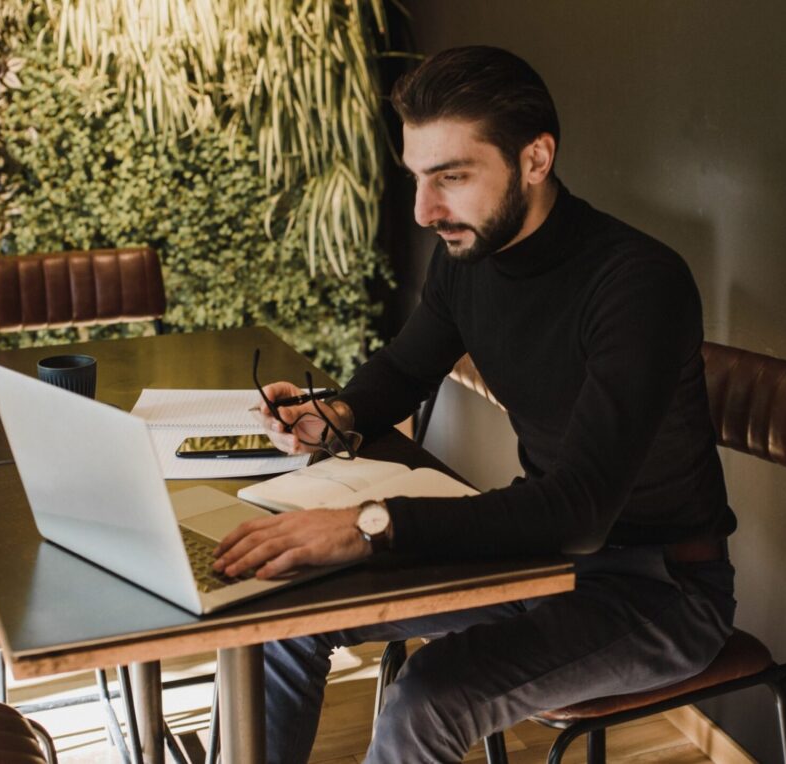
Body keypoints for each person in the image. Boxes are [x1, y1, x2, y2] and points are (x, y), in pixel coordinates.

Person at [213, 45, 737, 764]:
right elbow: (402, 367)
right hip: (540, 556)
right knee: (279, 617)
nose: (426, 211)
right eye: (418, 179)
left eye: (451, 178)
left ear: (535, 158)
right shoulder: (468, 255)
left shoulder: (638, 283)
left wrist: (369, 525)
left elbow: (579, 512)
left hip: (660, 590)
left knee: (427, 698)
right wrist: (331, 417)